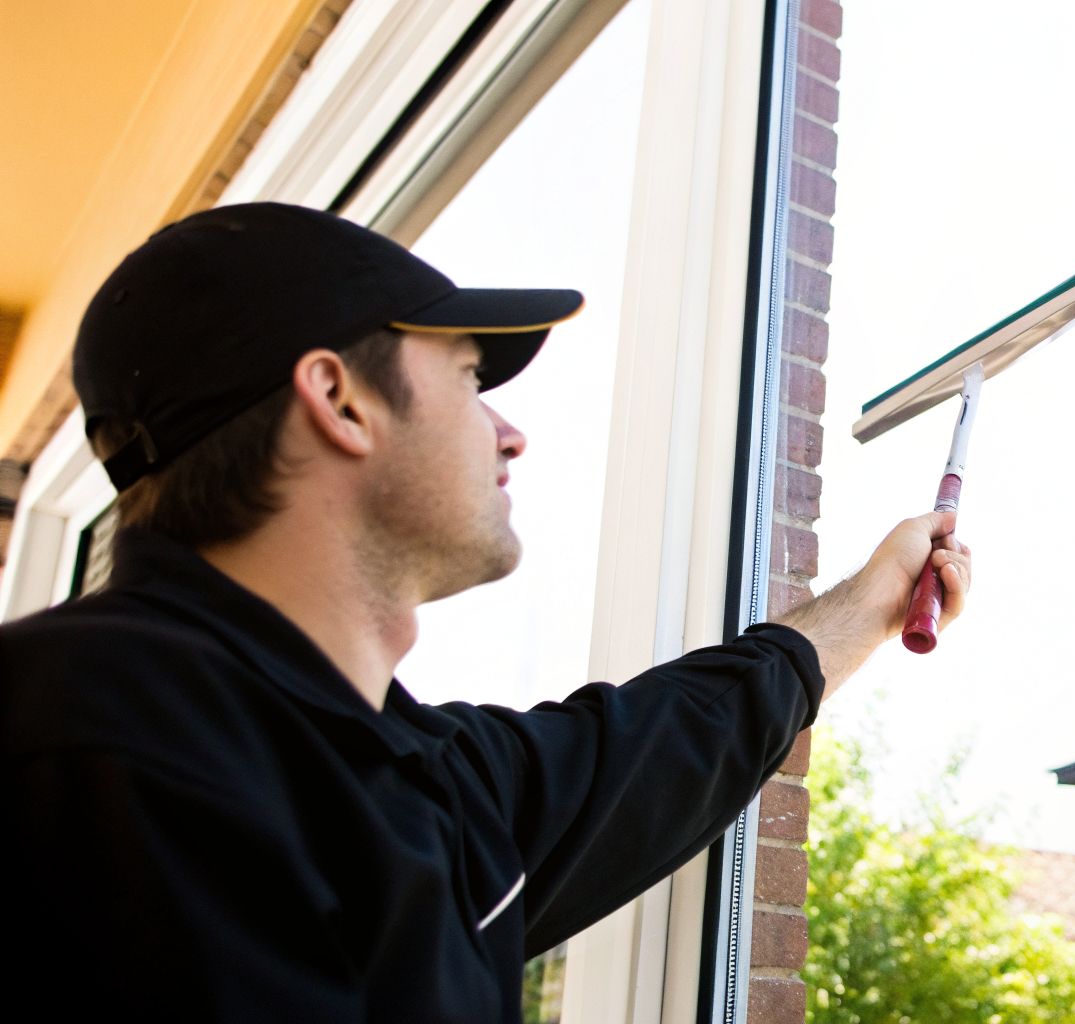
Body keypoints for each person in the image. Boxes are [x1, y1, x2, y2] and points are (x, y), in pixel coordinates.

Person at [0, 203, 971, 1020]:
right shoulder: (89, 742)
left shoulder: (401, 774)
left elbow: (658, 747)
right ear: (339, 400)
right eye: (469, 378)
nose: (511, 433)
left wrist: (871, 601)